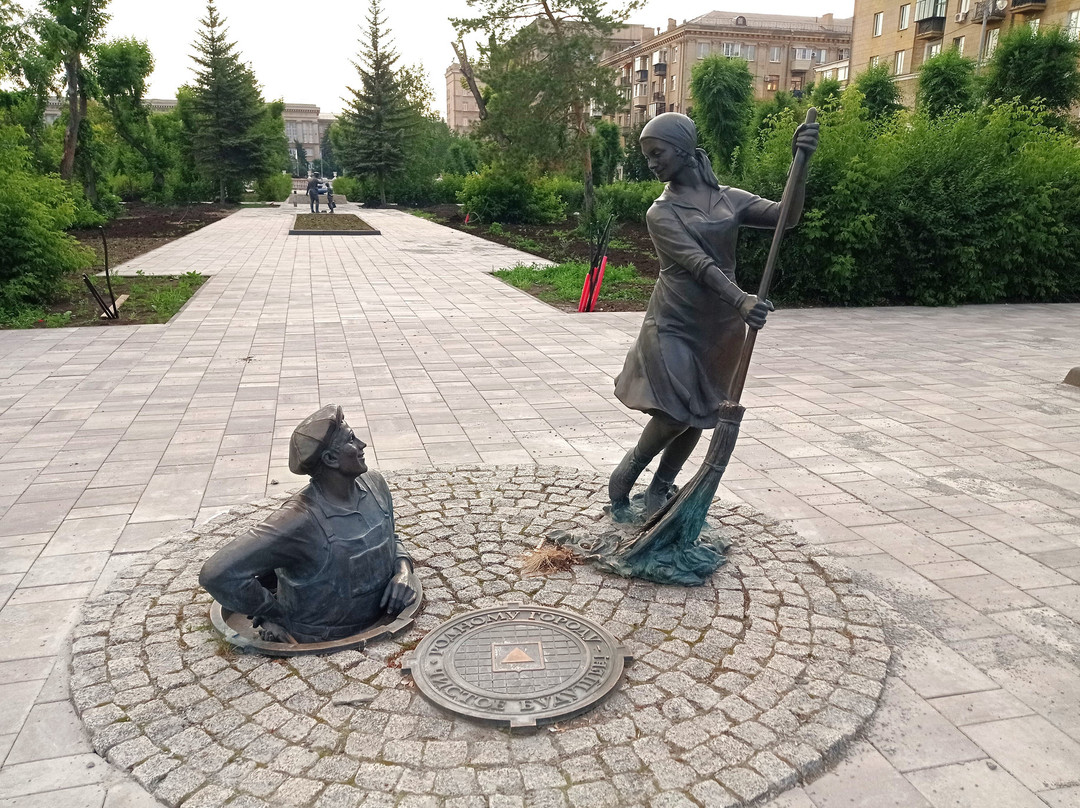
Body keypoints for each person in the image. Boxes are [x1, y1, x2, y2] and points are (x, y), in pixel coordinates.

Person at [608, 112, 818, 522]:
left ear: (683, 150)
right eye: (647, 155)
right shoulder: (661, 212)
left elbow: (785, 218)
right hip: (673, 322)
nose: (651, 162)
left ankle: (660, 487)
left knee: (701, 414)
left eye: (657, 152)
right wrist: (742, 299)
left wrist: (802, 162)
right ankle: (628, 470)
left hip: (720, 327)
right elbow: (697, 264)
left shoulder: (730, 198)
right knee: (675, 412)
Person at [199, 404, 418, 643]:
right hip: (321, 634)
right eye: (352, 440)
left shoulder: (375, 484)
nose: (362, 445)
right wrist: (274, 612)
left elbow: (391, 538)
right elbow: (217, 574)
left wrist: (403, 571)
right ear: (331, 458)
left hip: (382, 617)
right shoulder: (298, 520)